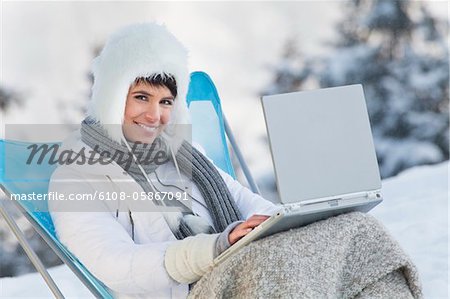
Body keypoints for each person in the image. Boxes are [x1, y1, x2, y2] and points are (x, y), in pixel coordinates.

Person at [48, 23, 279, 298]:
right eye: (141, 97)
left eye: (166, 102)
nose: (154, 115)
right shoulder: (75, 177)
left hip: (246, 277)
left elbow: (249, 205)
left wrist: (279, 221)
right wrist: (215, 248)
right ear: (112, 98)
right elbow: (118, 265)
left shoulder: (186, 155)